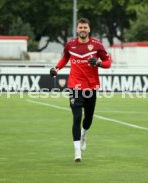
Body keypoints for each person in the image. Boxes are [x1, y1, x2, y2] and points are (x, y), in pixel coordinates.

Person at [50, 18, 112, 162]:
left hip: (91, 86)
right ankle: (77, 152)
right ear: (77, 29)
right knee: (77, 117)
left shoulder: (97, 45)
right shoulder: (70, 45)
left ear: (89, 29)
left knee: (88, 119)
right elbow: (65, 58)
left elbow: (108, 62)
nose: (83, 30)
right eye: (80, 27)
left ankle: (84, 135)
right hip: (75, 86)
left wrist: (98, 63)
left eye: (85, 27)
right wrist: (56, 69)